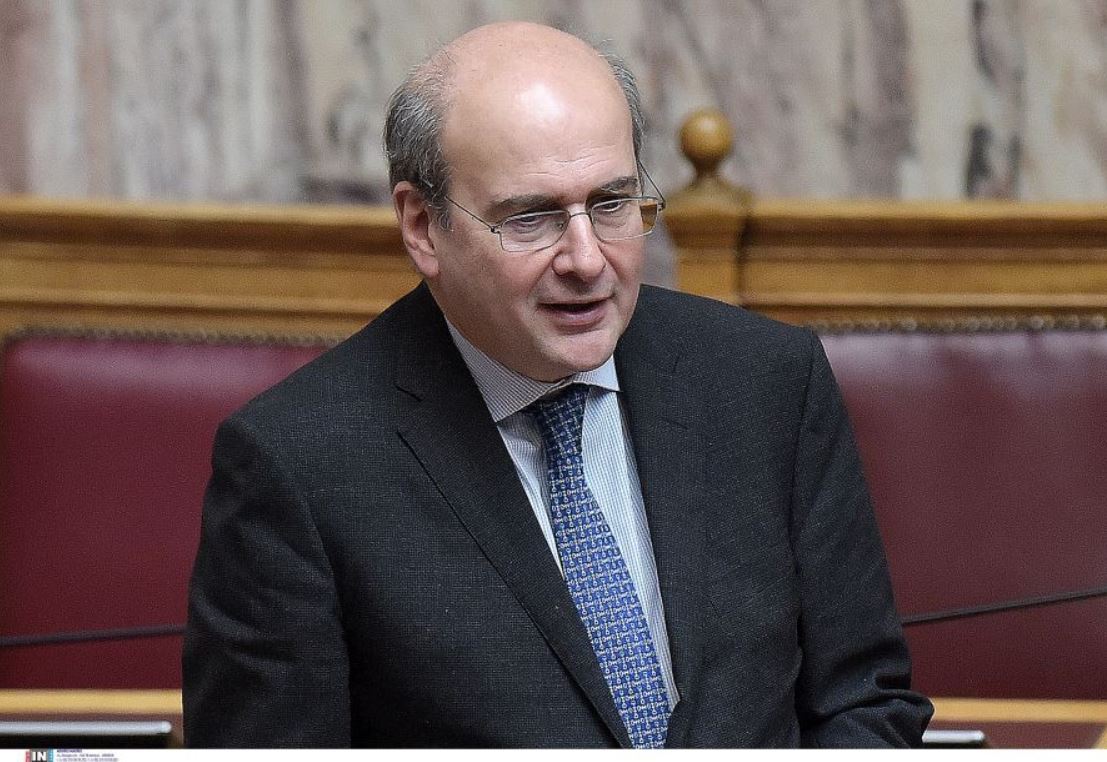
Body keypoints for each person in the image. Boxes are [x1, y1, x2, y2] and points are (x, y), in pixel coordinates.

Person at [183, 21, 933, 748]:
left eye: (611, 204)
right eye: (532, 218)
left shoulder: (764, 382)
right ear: (422, 225)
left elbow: (863, 702)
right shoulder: (299, 466)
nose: (586, 259)